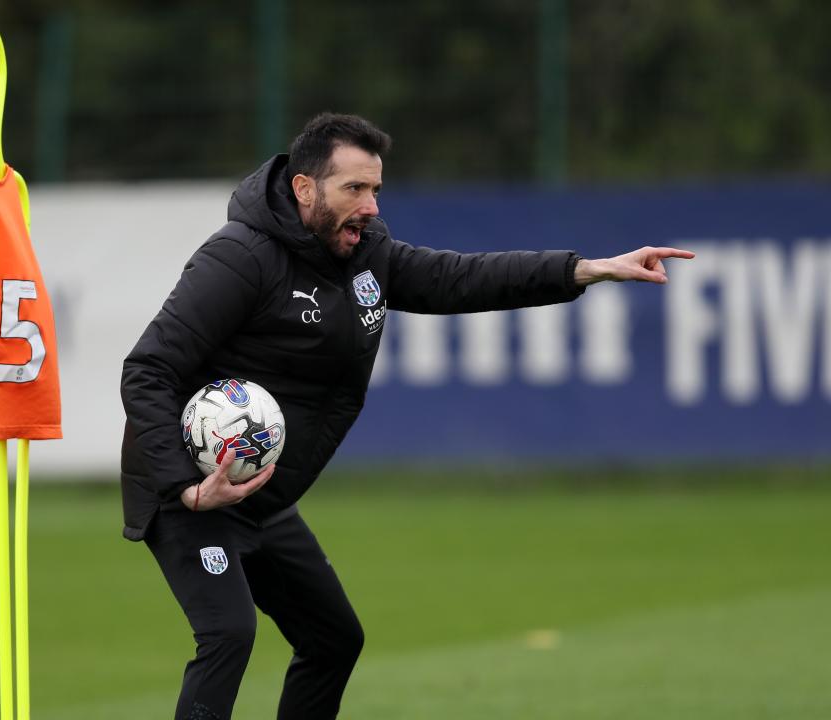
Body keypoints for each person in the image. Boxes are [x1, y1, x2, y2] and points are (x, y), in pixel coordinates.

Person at [119, 112, 693, 720]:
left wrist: (587, 269)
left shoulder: (367, 255)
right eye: (354, 189)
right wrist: (185, 486)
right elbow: (147, 368)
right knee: (228, 634)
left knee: (333, 639)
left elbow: (462, 279)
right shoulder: (239, 257)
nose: (369, 207)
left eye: (375, 189)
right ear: (304, 189)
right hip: (193, 491)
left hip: (262, 496)